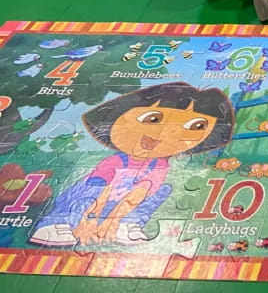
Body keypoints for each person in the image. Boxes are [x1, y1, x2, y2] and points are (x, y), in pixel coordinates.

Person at [29, 83, 233, 247]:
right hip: (96, 199)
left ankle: (129, 225)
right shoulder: (115, 161)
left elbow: (142, 191)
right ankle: (57, 223)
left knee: (161, 190)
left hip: (122, 205)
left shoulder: (160, 166)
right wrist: (91, 217)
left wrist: (115, 220)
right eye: (153, 118)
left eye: (196, 126)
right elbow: (100, 189)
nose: (169, 132)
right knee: (84, 190)